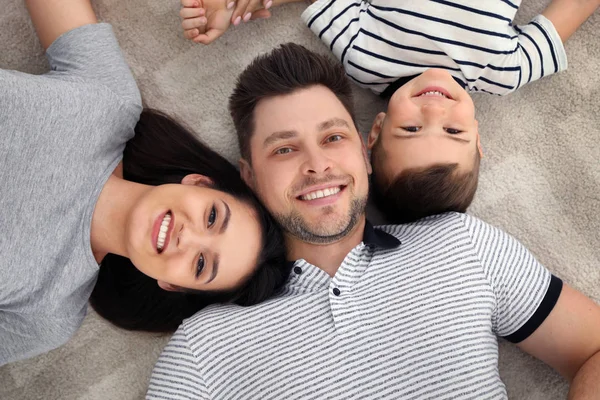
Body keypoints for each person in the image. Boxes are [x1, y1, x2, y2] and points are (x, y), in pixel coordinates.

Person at [146, 44, 600, 399]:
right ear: (249, 176)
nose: (317, 164)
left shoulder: (461, 245)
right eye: (284, 149)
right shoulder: (203, 349)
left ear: (365, 152)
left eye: (333, 137)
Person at [0, 0, 287, 366]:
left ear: (172, 286)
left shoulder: (49, 315)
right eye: (213, 217)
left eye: (200, 264)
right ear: (199, 183)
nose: (188, 238)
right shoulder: (111, 102)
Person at [179, 0, 599, 223]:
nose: (435, 110)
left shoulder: (366, 60)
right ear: (478, 139)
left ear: (375, 130)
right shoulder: (503, 72)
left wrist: (236, 6)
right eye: (453, 133)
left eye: (412, 127)